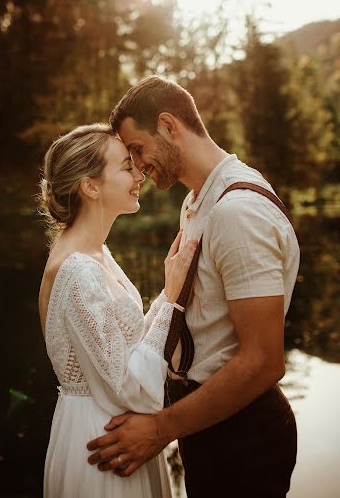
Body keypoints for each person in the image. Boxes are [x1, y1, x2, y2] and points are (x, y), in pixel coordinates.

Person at [87, 76, 300, 498]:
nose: (137, 166)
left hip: (244, 435)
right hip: (207, 423)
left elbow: (262, 361)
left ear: (168, 125)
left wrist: (159, 429)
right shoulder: (199, 201)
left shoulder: (238, 211)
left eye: (137, 149)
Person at [37, 122, 197, 498]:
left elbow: (123, 348)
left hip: (114, 427)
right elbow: (129, 390)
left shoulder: (96, 253)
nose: (140, 173)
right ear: (90, 186)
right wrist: (172, 301)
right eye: (127, 167)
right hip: (103, 444)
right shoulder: (75, 270)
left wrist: (164, 296)